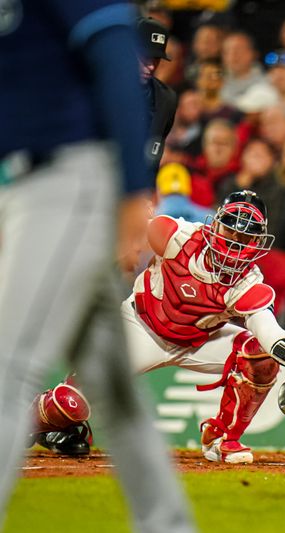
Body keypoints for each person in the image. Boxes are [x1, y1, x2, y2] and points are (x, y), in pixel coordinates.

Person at [0, 3, 194, 531]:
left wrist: (134, 193)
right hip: (26, 184)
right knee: (114, 387)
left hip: (66, 183)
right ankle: (168, 523)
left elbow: (114, 60)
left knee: (10, 366)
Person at [32, 191, 285, 465]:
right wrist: (133, 222)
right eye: (230, 231)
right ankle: (29, 420)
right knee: (67, 404)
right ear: (216, 224)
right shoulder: (177, 236)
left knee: (261, 357)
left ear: (257, 242)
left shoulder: (248, 281)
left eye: (245, 236)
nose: (235, 243)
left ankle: (223, 437)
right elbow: (123, 232)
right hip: (140, 327)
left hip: (198, 340)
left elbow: (266, 327)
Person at [136, 18, 178, 183]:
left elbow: (155, 153)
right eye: (145, 57)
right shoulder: (104, 90)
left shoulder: (167, 99)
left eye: (156, 59)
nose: (152, 66)